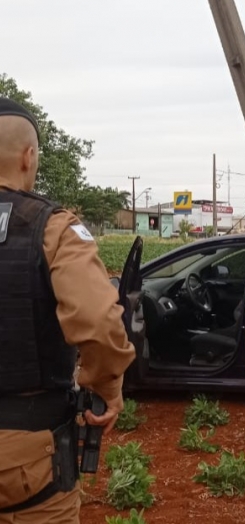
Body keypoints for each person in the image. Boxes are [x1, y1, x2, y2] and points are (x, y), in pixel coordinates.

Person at [0, 97, 136, 523]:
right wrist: (107, 387)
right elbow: (97, 319)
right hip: (23, 458)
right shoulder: (54, 228)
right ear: (29, 156)